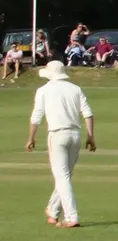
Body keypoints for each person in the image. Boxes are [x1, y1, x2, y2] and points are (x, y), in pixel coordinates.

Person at [27, 61, 95, 228]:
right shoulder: (75, 89)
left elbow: (36, 116)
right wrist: (90, 136)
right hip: (75, 135)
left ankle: (72, 217)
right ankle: (52, 210)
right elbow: (88, 113)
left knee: (62, 177)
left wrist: (31, 138)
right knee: (65, 176)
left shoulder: (43, 91)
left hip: (57, 135)